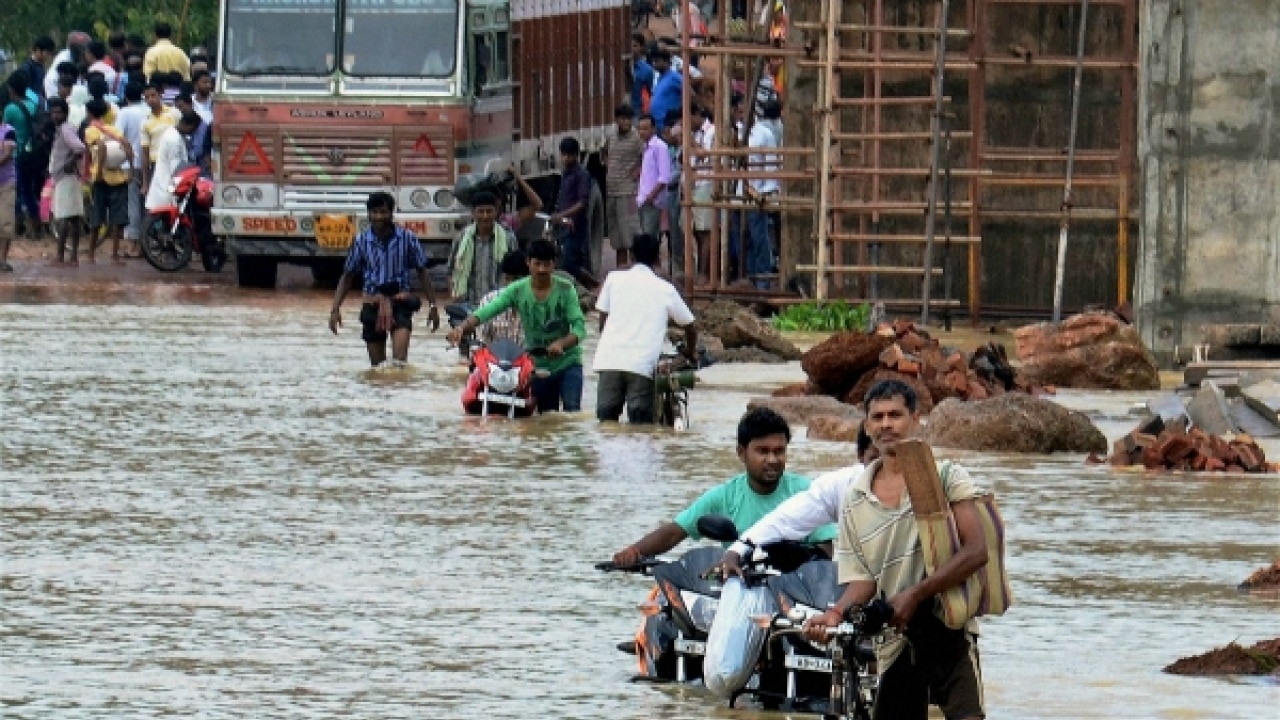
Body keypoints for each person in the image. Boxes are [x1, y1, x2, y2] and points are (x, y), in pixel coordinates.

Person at [796, 379, 989, 720]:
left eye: (895, 415)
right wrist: (835, 614)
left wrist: (915, 594)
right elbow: (863, 582)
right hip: (896, 638)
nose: (886, 424)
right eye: (878, 417)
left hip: (950, 629)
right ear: (867, 426)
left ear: (916, 419)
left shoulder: (945, 476)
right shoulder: (854, 499)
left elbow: (976, 552)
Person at [611, 407, 838, 567]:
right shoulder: (724, 497)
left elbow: (825, 553)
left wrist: (792, 556)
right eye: (763, 451)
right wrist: (635, 551)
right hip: (738, 588)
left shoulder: (806, 492)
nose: (772, 459)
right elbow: (674, 532)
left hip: (792, 595)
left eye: (779, 451)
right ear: (741, 452)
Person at [447, 238, 587, 413]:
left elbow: (580, 327)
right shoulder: (517, 290)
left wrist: (562, 344)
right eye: (537, 264)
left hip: (568, 361)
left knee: (571, 413)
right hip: (538, 364)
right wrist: (462, 328)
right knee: (546, 417)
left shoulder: (566, 289)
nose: (542, 269)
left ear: (554, 264)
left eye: (547, 264)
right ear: (528, 263)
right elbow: (487, 311)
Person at [328, 192, 441, 366]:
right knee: (377, 368)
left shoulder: (407, 238)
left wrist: (433, 306)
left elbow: (422, 272)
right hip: (372, 304)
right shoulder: (361, 241)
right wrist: (335, 309)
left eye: (383, 212)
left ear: (391, 213)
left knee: (399, 364)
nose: (378, 217)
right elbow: (347, 276)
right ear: (368, 214)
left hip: (401, 304)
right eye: (374, 212)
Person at [593, 233, 697, 423]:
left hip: (608, 359)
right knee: (640, 425)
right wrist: (690, 352)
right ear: (658, 259)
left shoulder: (613, 279)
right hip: (642, 365)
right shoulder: (666, 288)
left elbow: (602, 322)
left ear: (631, 255)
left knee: (606, 421)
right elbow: (690, 325)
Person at [85, 99, 134, 264]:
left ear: (89, 113)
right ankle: (114, 255)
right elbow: (127, 145)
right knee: (117, 220)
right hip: (119, 178)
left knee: (97, 217)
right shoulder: (113, 128)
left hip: (101, 179)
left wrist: (98, 171)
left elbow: (101, 147)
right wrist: (131, 169)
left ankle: (91, 254)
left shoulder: (90, 130)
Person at [448, 190, 516, 308]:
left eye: (489, 211)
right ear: (473, 213)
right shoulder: (462, 238)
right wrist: (454, 295)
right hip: (467, 304)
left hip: (499, 304)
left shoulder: (508, 238)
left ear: (496, 212)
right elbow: (451, 269)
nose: (485, 216)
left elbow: (517, 272)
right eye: (481, 211)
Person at [548, 136, 598, 288]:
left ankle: (595, 285)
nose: (566, 158)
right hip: (564, 226)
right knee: (568, 262)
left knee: (570, 264)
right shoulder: (565, 174)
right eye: (564, 155)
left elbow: (583, 203)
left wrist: (562, 215)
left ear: (576, 155)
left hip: (576, 225)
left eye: (570, 155)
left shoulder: (582, 175)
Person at [3, 70, 45, 239]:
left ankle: (18, 226)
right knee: (31, 192)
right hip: (34, 153)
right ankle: (36, 228)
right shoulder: (34, 105)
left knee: (18, 192)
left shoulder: (10, 109)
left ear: (12, 89)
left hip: (17, 155)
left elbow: (5, 133)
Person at [602, 103, 643, 270]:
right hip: (611, 191)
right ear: (617, 119)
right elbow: (604, 152)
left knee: (630, 236)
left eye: (628, 119)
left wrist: (637, 172)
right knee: (617, 238)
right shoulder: (611, 136)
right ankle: (620, 271)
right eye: (622, 119)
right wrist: (608, 165)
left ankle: (635, 270)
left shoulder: (636, 138)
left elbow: (645, 157)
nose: (625, 122)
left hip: (627, 192)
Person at [46, 98, 85, 266]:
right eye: (53, 112)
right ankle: (73, 256)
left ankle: (61, 255)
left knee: (63, 217)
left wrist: (70, 161)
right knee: (73, 218)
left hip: (65, 177)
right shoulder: (62, 129)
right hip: (66, 177)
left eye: (58, 112)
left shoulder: (65, 129)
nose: (55, 115)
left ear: (65, 113)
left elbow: (80, 147)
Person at [113, 82, 148, 254]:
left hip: (130, 163)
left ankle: (134, 244)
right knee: (146, 204)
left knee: (133, 203)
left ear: (126, 97)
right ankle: (146, 243)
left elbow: (118, 135)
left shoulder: (124, 112)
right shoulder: (148, 110)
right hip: (147, 162)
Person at [144, 110, 199, 215]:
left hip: (164, 185)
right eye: (194, 129)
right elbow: (177, 169)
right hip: (168, 187)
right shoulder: (174, 139)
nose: (194, 132)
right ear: (190, 126)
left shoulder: (174, 133)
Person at [476, 250, 529, 345]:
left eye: (517, 279)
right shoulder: (489, 300)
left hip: (527, 358)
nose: (511, 285)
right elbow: (481, 340)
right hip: (495, 358)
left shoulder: (538, 304)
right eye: (508, 279)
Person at [688, 107, 716, 284]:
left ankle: (703, 273)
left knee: (705, 231)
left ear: (698, 115)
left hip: (705, 183)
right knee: (696, 231)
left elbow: (707, 157)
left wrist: (692, 144)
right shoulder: (697, 133)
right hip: (694, 184)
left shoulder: (712, 132)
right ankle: (699, 270)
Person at [140, 83, 181, 197]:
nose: (150, 100)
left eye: (153, 95)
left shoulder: (174, 113)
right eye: (147, 97)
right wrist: (145, 183)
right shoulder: (145, 122)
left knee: (174, 195)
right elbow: (145, 153)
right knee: (160, 197)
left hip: (175, 162)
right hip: (156, 165)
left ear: (160, 95)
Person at [635, 113, 669, 242]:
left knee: (650, 239)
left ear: (653, 129)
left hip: (652, 201)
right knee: (646, 239)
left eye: (645, 129)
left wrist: (652, 195)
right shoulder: (646, 147)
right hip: (643, 200)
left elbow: (664, 177)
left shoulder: (660, 147)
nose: (641, 132)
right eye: (640, 129)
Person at [43, 32, 90, 99]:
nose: (83, 52)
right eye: (81, 49)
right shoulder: (64, 60)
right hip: (54, 88)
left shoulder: (77, 59)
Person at [647, 49, 682, 134]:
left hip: (668, 124)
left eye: (657, 61)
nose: (654, 64)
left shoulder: (674, 77)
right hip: (657, 123)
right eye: (653, 61)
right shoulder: (659, 78)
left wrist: (680, 115)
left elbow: (690, 94)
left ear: (666, 61)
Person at [174, 93, 211, 172]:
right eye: (176, 108)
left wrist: (184, 156)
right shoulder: (181, 122)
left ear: (190, 104)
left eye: (181, 106)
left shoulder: (200, 125)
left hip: (200, 165)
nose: (179, 110)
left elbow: (198, 150)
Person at [0, 118, 16, 272]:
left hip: (6, 182)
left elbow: (7, 155)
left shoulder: (9, 131)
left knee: (6, 222)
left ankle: (3, 259)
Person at [22, 37, 56, 105]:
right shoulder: (28, 68)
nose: (48, 56)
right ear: (38, 50)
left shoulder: (40, 67)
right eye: (47, 53)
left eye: (50, 53)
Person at [629, 33, 654, 115]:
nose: (631, 49)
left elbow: (651, 92)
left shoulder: (647, 70)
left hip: (636, 110)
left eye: (634, 46)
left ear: (641, 47)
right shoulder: (618, 66)